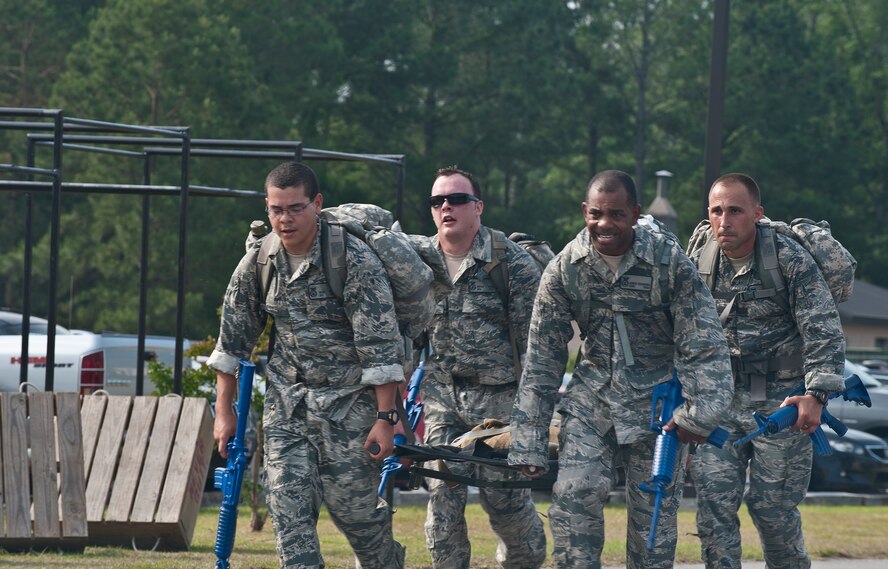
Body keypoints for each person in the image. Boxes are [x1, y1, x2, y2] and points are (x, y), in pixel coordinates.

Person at [508, 170, 733, 569]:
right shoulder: (565, 269)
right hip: (592, 401)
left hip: (658, 410)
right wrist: (529, 441)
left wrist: (697, 417)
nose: (604, 224)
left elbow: (704, 344)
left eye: (615, 214)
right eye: (596, 214)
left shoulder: (668, 264)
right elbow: (542, 360)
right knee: (574, 496)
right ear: (584, 212)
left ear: (634, 213)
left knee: (653, 528)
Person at [207, 161, 405, 569]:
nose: (285, 219)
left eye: (295, 208)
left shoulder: (353, 261)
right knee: (289, 516)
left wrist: (387, 417)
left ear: (317, 204)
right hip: (288, 409)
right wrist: (224, 413)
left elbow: (381, 349)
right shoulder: (260, 261)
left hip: (351, 408)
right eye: (277, 209)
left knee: (360, 521)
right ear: (267, 207)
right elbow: (232, 344)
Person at [687, 173, 846, 569]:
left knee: (772, 510)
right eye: (716, 211)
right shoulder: (700, 255)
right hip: (719, 401)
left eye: (735, 211)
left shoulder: (789, 260)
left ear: (757, 214)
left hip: (781, 404)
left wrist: (816, 395)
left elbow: (822, 328)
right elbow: (681, 322)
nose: (725, 221)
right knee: (713, 510)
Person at [422, 166, 547, 569]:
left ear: (478, 207)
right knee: (442, 493)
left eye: (456, 199)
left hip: (500, 402)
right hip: (442, 395)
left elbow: (538, 347)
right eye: (437, 201)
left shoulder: (510, 262)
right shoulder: (419, 262)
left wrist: (533, 421)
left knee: (505, 501)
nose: (446, 207)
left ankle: (525, 560)